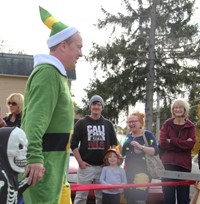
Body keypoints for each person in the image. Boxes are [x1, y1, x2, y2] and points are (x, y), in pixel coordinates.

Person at [21, 6, 83, 204]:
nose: (81, 53)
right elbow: (34, 120)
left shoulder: (55, 75)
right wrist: (34, 158)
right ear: (63, 45)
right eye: (78, 47)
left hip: (55, 163)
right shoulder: (48, 73)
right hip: (44, 164)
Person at [70, 94, 118, 204]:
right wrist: (80, 162)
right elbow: (73, 145)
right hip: (86, 167)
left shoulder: (108, 124)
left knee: (101, 197)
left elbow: (114, 145)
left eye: (98, 104)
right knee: (81, 196)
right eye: (93, 104)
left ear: (102, 107)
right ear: (90, 106)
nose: (96, 107)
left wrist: (110, 162)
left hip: (103, 167)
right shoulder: (81, 123)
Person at [159, 98, 196, 204]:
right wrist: (182, 143)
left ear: (185, 109)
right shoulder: (167, 124)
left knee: (183, 198)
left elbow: (190, 145)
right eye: (175, 107)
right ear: (172, 110)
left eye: (180, 107)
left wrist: (172, 141)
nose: (178, 109)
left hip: (184, 165)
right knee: (168, 198)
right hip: (167, 164)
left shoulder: (190, 126)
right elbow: (163, 143)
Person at [122, 111, 159, 204]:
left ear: (140, 122)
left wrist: (141, 147)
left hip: (143, 172)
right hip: (128, 172)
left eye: (134, 121)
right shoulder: (128, 136)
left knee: (139, 199)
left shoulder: (147, 134)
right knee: (129, 198)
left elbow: (155, 151)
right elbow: (123, 153)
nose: (131, 124)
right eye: (129, 122)